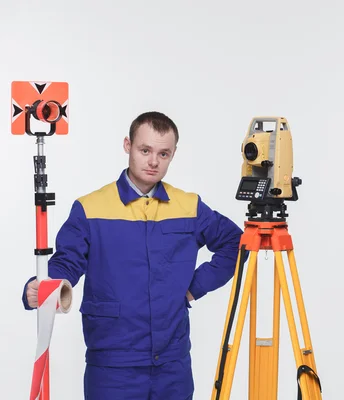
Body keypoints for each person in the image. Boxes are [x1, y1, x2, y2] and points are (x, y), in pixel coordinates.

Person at [22, 111, 244, 399]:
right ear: (128, 145)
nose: (153, 161)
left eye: (163, 154)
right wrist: (43, 287)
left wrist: (192, 288)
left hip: (172, 365)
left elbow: (235, 242)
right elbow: (67, 262)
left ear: (173, 154)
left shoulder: (188, 206)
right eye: (145, 150)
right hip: (113, 366)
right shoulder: (91, 208)